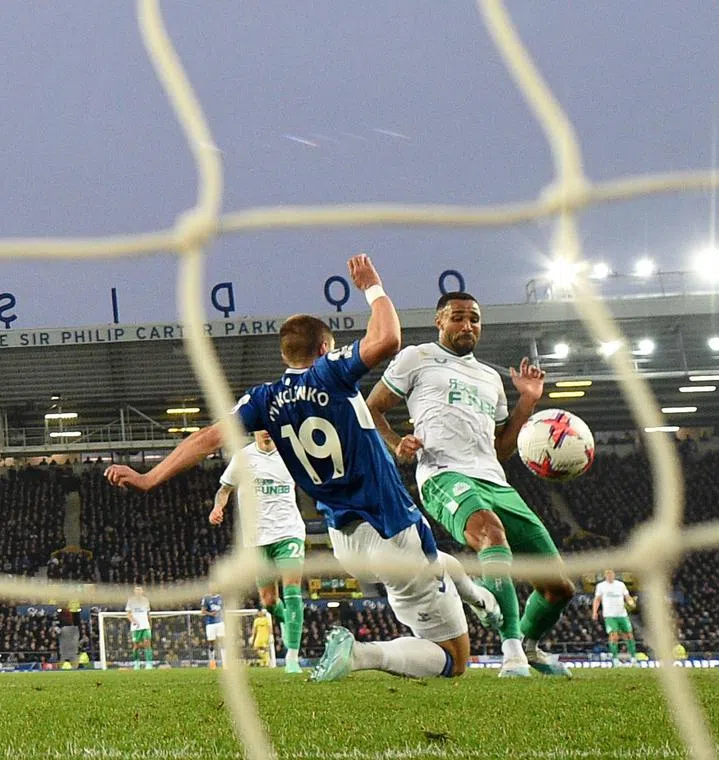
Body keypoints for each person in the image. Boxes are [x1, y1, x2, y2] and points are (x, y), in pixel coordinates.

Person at [105, 254, 498, 682]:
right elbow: (387, 338)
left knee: (441, 562)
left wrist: (148, 477)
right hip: (390, 526)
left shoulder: (263, 399)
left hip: (346, 541)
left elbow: (204, 440)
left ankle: (478, 597)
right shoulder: (330, 373)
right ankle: (362, 654)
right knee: (454, 660)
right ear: (326, 348)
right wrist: (372, 287)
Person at [367, 291, 575, 678]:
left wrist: (527, 403)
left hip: (494, 480)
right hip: (443, 474)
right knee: (492, 536)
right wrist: (398, 443)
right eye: (458, 318)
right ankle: (511, 652)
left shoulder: (490, 378)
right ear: (439, 321)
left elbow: (502, 449)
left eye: (474, 319)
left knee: (559, 588)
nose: (467, 326)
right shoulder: (417, 357)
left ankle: (529, 646)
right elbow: (371, 407)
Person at [211, 430, 305, 674]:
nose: (266, 431)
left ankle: (292, 657)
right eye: (260, 426)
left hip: (289, 532)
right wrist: (217, 508)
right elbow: (224, 490)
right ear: (254, 431)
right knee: (269, 601)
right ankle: (286, 621)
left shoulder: (291, 454)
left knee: (292, 589)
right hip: (256, 539)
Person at [591, 569, 637, 665]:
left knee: (629, 635)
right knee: (614, 636)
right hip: (610, 615)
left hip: (622, 614)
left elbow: (627, 597)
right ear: (605, 576)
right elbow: (597, 599)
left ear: (614, 575)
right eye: (607, 574)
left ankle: (633, 658)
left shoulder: (620, 585)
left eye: (611, 574)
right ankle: (615, 659)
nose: (610, 576)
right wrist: (594, 612)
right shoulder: (601, 586)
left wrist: (631, 602)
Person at [125, 585, 154, 670]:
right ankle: (136, 663)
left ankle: (149, 664)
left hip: (145, 625)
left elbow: (148, 614)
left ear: (142, 591)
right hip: (136, 627)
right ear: (134, 591)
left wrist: (150, 624)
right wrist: (133, 621)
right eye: (136, 590)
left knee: (147, 644)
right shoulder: (130, 601)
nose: (138, 591)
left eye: (140, 590)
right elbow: (128, 614)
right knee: (136, 646)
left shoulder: (146, 600)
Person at [200, 590, 225, 669]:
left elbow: (223, 609)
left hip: (220, 623)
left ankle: (225, 663)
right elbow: (203, 611)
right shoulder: (206, 597)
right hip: (210, 624)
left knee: (223, 642)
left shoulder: (220, 597)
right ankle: (212, 662)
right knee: (211, 643)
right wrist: (211, 614)